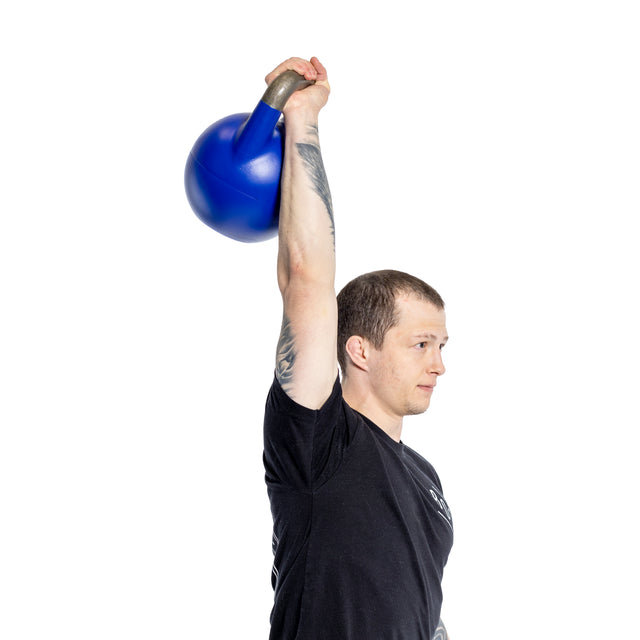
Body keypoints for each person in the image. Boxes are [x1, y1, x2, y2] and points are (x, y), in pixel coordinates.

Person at [263, 57, 453, 640]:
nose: (439, 365)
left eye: (441, 345)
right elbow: (307, 279)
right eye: (421, 343)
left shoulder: (424, 478)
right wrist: (303, 118)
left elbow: (421, 611)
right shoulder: (320, 440)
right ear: (360, 350)